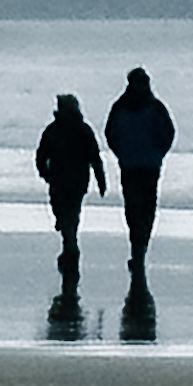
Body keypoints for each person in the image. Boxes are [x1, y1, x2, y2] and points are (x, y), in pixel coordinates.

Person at [103, 67, 176, 271]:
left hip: (147, 163)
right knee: (135, 207)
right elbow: (110, 133)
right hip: (134, 163)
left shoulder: (154, 107)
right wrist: (123, 153)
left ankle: (140, 247)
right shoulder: (124, 107)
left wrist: (158, 152)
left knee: (145, 207)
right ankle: (138, 245)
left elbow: (168, 133)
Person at [33, 91, 106, 275]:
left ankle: (70, 246)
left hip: (65, 179)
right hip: (70, 179)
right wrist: (100, 180)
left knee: (66, 211)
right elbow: (41, 156)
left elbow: (94, 157)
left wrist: (45, 173)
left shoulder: (66, 129)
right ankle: (69, 239)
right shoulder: (68, 129)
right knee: (67, 211)